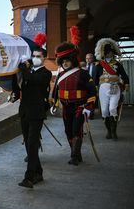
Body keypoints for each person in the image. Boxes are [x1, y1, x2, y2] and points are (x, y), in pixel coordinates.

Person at [51, 42, 97, 166]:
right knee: (68, 131)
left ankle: (74, 156)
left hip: (79, 108)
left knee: (76, 130)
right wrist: (53, 104)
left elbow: (93, 91)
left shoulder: (83, 74)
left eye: (67, 61)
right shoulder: (60, 75)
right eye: (63, 61)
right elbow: (56, 91)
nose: (65, 63)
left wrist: (89, 106)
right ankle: (76, 153)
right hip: (65, 108)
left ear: (73, 60)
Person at [13, 48, 52, 188]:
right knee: (29, 145)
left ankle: (29, 177)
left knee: (32, 144)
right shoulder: (28, 72)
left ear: (44, 58)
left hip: (36, 113)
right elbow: (20, 86)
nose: (35, 58)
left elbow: (32, 79)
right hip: (24, 112)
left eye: (38, 56)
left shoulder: (45, 73)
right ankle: (38, 172)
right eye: (33, 56)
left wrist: (24, 66)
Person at [94, 38, 130, 140]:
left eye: (110, 52)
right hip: (103, 88)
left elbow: (124, 76)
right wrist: (95, 89)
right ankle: (109, 131)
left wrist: (126, 83)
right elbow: (95, 79)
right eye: (107, 52)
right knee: (105, 111)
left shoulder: (118, 64)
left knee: (112, 109)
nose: (108, 54)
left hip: (115, 87)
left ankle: (114, 132)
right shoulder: (99, 65)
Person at [85, 53, 99, 119]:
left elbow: (99, 76)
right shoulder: (83, 66)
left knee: (93, 100)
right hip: (85, 86)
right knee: (85, 99)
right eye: (86, 58)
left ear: (92, 59)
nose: (88, 60)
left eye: (89, 58)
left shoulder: (96, 66)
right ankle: (86, 112)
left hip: (94, 86)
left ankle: (91, 113)